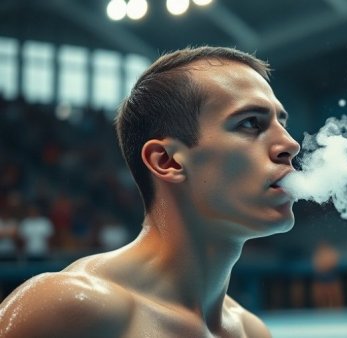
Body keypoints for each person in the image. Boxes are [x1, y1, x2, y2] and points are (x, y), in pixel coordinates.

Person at [0, 46, 300, 337]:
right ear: (167, 161)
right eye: (250, 123)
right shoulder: (66, 307)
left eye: (281, 123)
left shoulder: (251, 330)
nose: (290, 144)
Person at [311, 241, 344, 308]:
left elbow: (334, 264)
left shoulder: (332, 253)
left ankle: (336, 309)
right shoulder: (317, 255)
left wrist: (326, 265)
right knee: (320, 295)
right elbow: (317, 267)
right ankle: (322, 309)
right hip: (321, 277)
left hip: (331, 276)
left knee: (334, 294)